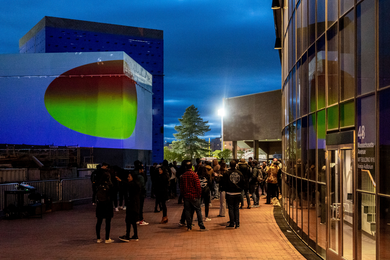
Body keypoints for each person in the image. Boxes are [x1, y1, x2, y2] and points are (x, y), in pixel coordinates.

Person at [180, 161, 208, 231]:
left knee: (187, 211)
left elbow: (181, 187)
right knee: (198, 210)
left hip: (186, 196)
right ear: (191, 167)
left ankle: (189, 226)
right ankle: (201, 226)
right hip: (194, 196)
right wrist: (198, 195)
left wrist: (184, 195)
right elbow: (198, 186)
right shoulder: (194, 175)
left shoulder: (183, 176)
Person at [118, 172, 140, 242]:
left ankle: (127, 236)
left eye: (129, 177)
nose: (128, 178)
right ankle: (135, 235)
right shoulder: (137, 184)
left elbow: (128, 184)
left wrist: (120, 180)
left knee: (128, 220)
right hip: (135, 205)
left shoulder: (133, 184)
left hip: (132, 205)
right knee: (133, 221)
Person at [222, 160, 245, 228]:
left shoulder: (227, 173)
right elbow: (243, 182)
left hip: (230, 192)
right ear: (236, 165)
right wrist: (240, 189)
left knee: (231, 208)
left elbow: (224, 183)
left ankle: (232, 223)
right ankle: (237, 223)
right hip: (238, 192)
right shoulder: (240, 173)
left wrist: (225, 190)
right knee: (236, 208)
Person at [95, 167, 114, 243]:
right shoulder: (110, 186)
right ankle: (107, 238)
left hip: (100, 205)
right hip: (107, 205)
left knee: (99, 221)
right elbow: (113, 195)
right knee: (108, 222)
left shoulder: (99, 185)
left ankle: (98, 238)